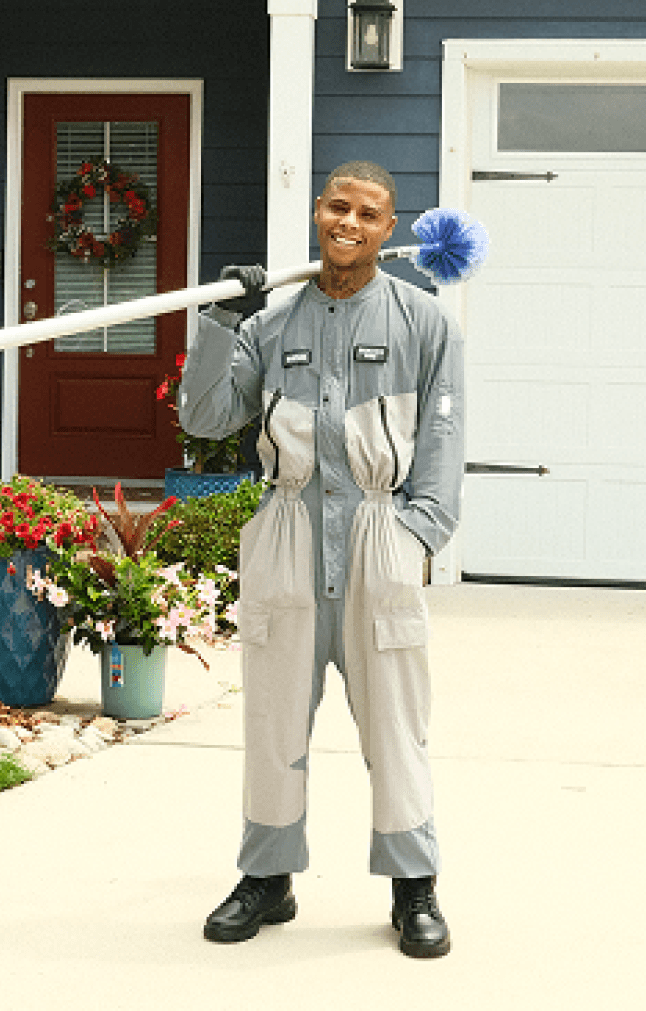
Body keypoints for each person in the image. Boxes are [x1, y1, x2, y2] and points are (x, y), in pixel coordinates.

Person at [177, 161, 465, 958]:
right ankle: (267, 877)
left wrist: (417, 536)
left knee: (396, 723)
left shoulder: (424, 321)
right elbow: (203, 417)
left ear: (388, 229)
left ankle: (414, 886)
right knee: (272, 720)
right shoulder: (269, 327)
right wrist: (220, 321)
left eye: (369, 213)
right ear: (317, 212)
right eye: (339, 205)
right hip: (286, 530)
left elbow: (442, 440)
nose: (350, 221)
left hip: (380, 536)